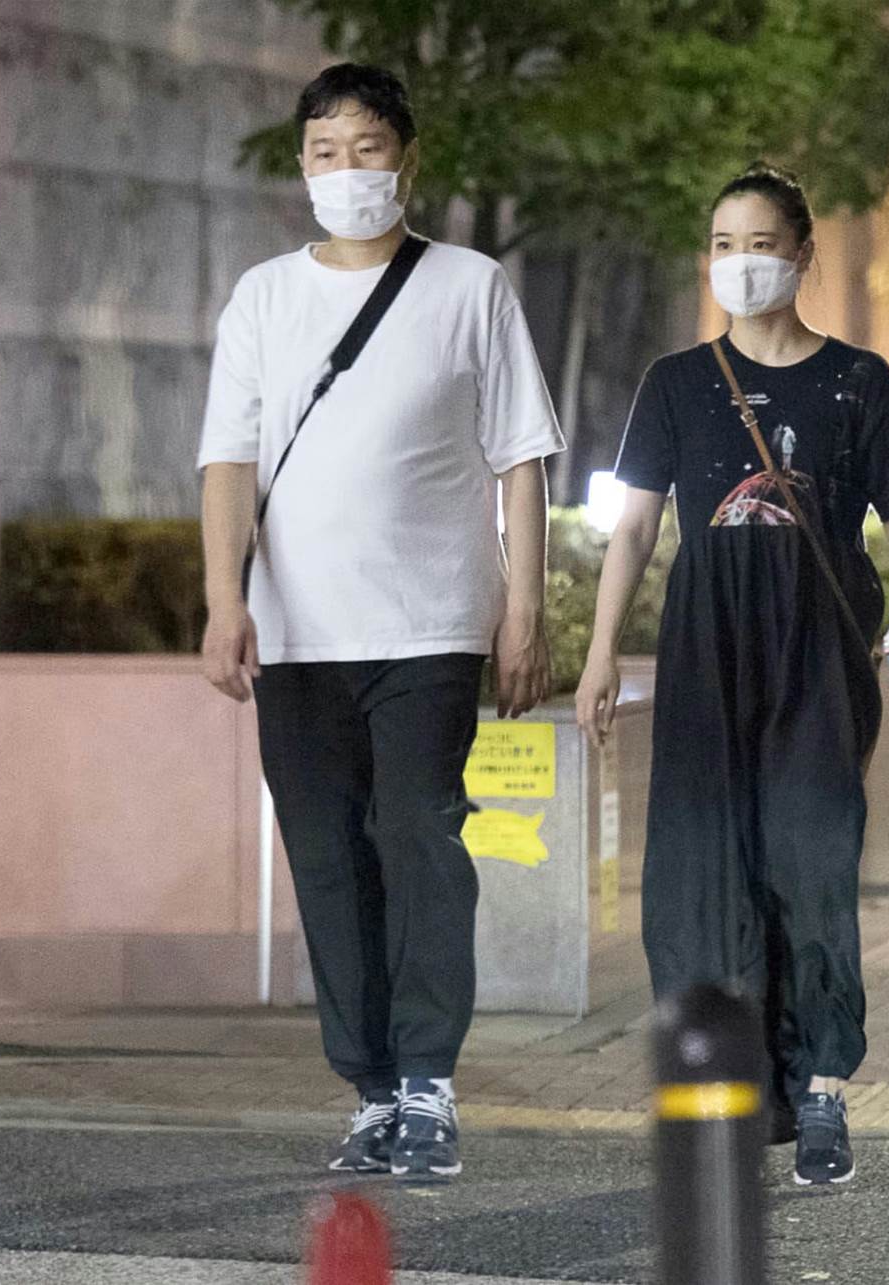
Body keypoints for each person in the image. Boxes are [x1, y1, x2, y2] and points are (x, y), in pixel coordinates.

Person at [198, 63, 564, 1181]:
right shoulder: (264, 296)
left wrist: (524, 608)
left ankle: (429, 1082)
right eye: (325, 151)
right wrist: (223, 599)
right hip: (298, 634)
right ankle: (369, 1089)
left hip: (431, 624)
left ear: (406, 158)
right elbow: (228, 460)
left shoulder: (469, 286)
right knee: (326, 857)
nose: (345, 170)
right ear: (302, 165)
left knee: (420, 838)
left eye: (366, 148)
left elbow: (521, 458)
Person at [576, 164, 889, 1186]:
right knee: (702, 874)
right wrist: (601, 649)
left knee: (814, 863)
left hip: (816, 657)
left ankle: (823, 1088)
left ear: (802, 254)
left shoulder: (857, 382)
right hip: (705, 655)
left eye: (759, 244)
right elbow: (633, 530)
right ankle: (731, 1086)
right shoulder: (675, 383)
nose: (739, 263)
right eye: (722, 245)